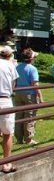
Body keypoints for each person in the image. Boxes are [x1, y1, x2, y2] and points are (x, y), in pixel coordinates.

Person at [15, 48, 43, 145]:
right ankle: (29, 139)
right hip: (29, 95)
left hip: (18, 93)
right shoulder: (32, 69)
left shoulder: (17, 67)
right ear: (31, 58)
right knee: (30, 116)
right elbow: (35, 84)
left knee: (19, 116)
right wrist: (40, 96)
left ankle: (19, 139)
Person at [0, 45, 18, 173]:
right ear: (10, 55)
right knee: (7, 133)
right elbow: (13, 84)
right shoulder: (10, 65)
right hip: (5, 99)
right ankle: (6, 163)